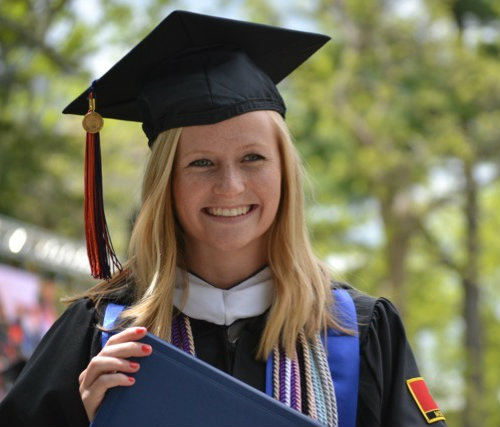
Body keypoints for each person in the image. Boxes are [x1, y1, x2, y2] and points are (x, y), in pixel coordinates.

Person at [0, 10, 446, 427]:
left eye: (253, 158)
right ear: (165, 184)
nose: (230, 186)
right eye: (201, 163)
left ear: (285, 173)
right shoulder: (99, 332)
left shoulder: (360, 332)